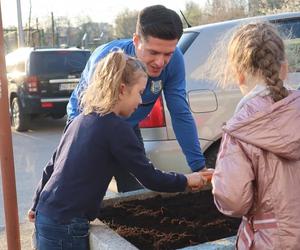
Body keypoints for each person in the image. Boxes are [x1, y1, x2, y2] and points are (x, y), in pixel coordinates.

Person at [28, 51, 209, 250]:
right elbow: (150, 178)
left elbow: (51, 167)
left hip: (46, 215)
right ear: (122, 89)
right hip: (66, 226)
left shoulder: (81, 119)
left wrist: (36, 203)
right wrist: (187, 180)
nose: (141, 101)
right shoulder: (116, 127)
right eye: (139, 92)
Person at [67, 5, 206, 192]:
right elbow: (93, 119)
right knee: (83, 186)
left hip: (128, 124)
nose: (160, 62)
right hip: (87, 120)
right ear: (136, 40)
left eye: (168, 54)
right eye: (153, 52)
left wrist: (199, 166)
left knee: (135, 190)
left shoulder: (175, 62)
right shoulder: (108, 61)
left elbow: (180, 112)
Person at [211, 22, 300, 249]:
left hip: (270, 241)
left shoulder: (241, 129)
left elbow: (233, 199)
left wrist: (219, 176)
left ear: (239, 76)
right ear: (284, 69)